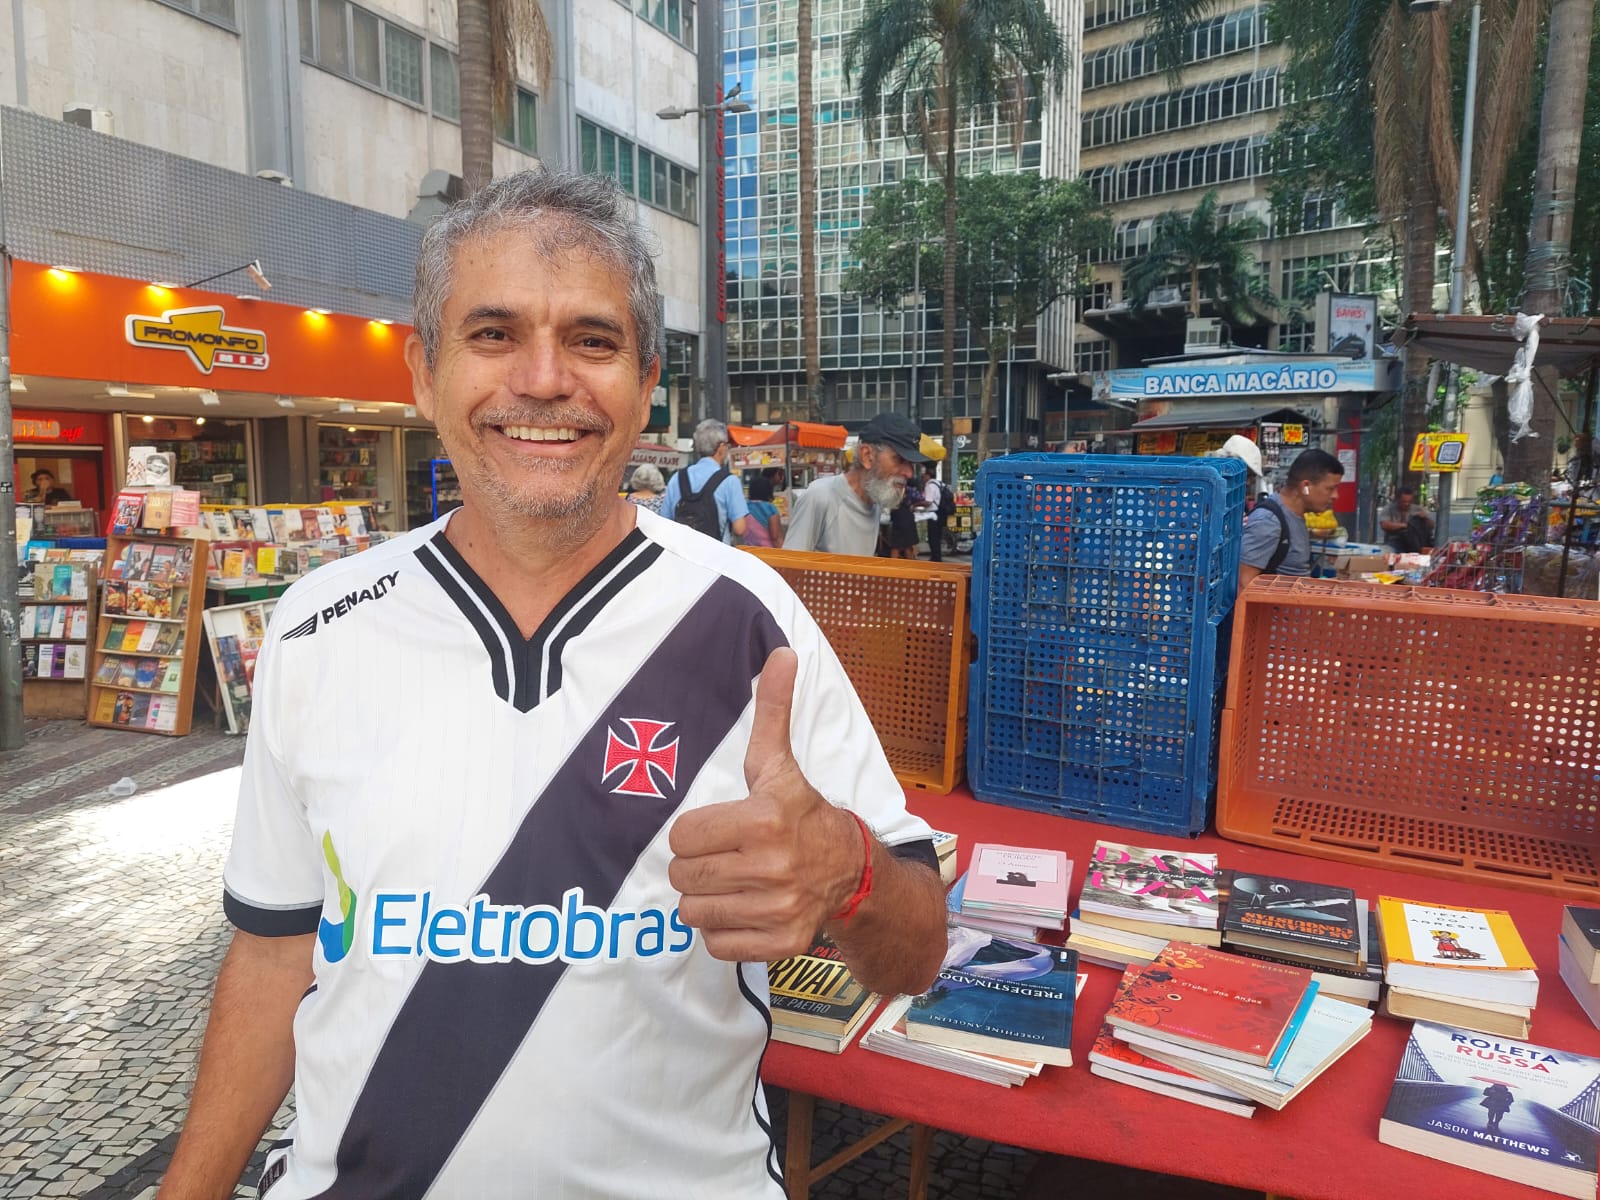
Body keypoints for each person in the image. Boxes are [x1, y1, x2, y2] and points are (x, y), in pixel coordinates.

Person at [159, 170, 946, 1200]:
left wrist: (844, 871)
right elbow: (273, 953)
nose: (542, 380)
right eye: (492, 334)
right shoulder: (317, 626)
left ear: (647, 378)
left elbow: (917, 948)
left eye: (591, 339)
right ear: (422, 373)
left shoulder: (751, 619)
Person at [785, 412, 929, 556]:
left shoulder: (875, 502)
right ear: (867, 455)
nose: (909, 473)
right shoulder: (820, 496)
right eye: (899, 460)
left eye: (910, 464)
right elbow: (790, 565)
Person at [1238, 447, 1345, 589]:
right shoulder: (1269, 522)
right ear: (1305, 486)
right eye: (1330, 488)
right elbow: (1244, 585)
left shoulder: (1296, 518)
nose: (1335, 496)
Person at [658, 417, 749, 542]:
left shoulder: (677, 478)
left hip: (683, 556)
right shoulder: (729, 481)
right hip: (716, 556)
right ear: (721, 447)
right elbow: (740, 528)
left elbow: (665, 521)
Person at [1380, 485, 1436, 553]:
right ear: (1397, 499)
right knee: (1388, 551)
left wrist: (1425, 518)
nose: (1407, 504)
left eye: (1409, 501)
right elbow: (1384, 525)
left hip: (1415, 543)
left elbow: (1432, 526)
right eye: (1404, 502)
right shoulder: (1389, 509)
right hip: (1395, 541)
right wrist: (1405, 525)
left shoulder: (1417, 509)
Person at [919, 465, 953, 562]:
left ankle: (936, 558)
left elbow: (928, 501)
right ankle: (937, 557)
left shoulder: (930, 485)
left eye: (924, 476)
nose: (923, 478)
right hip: (941, 513)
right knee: (937, 537)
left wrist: (917, 503)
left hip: (932, 514)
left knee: (932, 537)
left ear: (928, 476)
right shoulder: (939, 483)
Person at [743, 472, 784, 548]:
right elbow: (775, 537)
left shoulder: (745, 508)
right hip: (768, 552)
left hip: (750, 551)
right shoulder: (770, 508)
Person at [887, 485, 918, 558]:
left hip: (899, 522)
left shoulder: (896, 495)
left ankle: (893, 567)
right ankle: (909, 567)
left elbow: (893, 511)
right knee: (908, 546)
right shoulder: (910, 493)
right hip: (908, 522)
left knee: (895, 547)